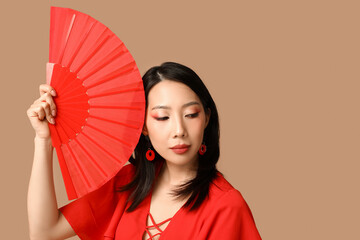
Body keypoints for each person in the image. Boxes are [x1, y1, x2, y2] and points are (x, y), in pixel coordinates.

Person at [27, 62, 262, 240]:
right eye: (162, 117)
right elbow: (43, 231)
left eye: (191, 114)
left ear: (207, 118)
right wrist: (43, 139)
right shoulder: (127, 183)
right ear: (144, 127)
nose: (179, 130)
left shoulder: (227, 206)